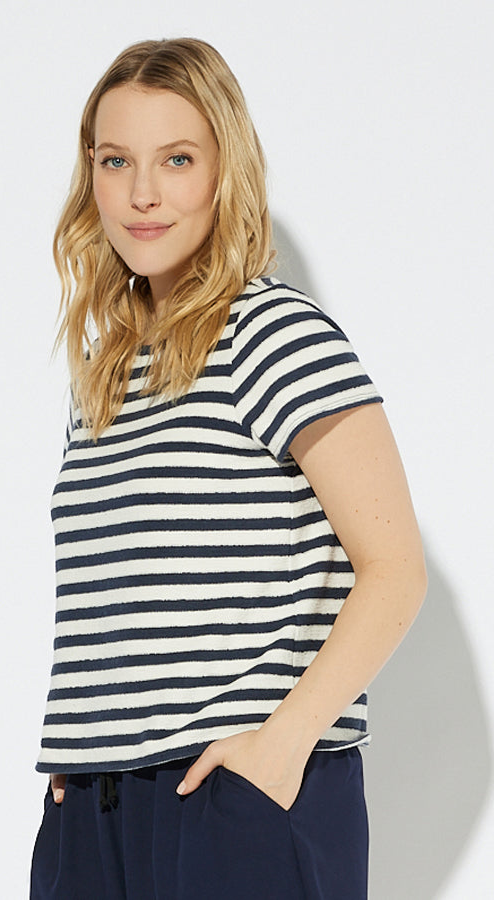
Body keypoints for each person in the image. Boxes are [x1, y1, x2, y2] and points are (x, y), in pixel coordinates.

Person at [30, 37, 427, 900]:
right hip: (92, 811)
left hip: (235, 797)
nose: (142, 192)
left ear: (224, 171)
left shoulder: (274, 333)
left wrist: (281, 746)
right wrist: (84, 747)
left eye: (177, 159)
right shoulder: (103, 375)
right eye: (115, 160)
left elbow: (395, 568)